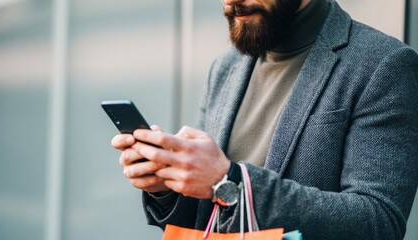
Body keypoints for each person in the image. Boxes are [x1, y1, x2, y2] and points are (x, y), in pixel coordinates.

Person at [111, 0, 418, 239]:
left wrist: (230, 182)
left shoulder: (384, 64)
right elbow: (209, 215)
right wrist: (167, 186)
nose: (232, 2)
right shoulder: (225, 68)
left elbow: (379, 222)